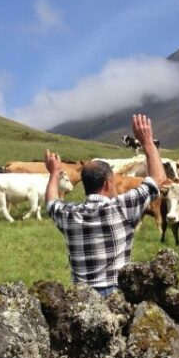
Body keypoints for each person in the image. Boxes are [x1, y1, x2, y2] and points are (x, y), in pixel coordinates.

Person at [44, 114, 167, 296]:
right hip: (115, 294)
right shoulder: (122, 207)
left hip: (80, 297)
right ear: (109, 183)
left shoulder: (69, 215)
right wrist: (147, 142)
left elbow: (51, 203)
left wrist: (54, 173)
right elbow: (159, 179)